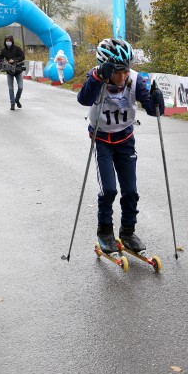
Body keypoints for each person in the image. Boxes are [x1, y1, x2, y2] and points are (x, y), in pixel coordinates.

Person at [77, 38, 165, 255]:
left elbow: (155, 110)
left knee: (131, 191)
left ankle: (127, 232)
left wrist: (157, 100)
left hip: (125, 139)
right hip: (102, 139)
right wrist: (98, 77)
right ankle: (105, 232)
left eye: (126, 71)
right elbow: (84, 99)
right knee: (108, 190)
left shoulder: (135, 80)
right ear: (106, 68)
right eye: (117, 72)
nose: (122, 77)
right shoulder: (96, 77)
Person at [0, 36, 25, 110]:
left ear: (12, 41)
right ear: (5, 42)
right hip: (9, 71)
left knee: (20, 87)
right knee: (10, 88)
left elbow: (22, 57)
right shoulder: (3, 50)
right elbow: (0, 57)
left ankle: (17, 99)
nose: (8, 42)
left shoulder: (17, 48)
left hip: (18, 70)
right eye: (7, 40)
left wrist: (14, 60)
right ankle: (12, 103)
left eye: (9, 40)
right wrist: (3, 61)